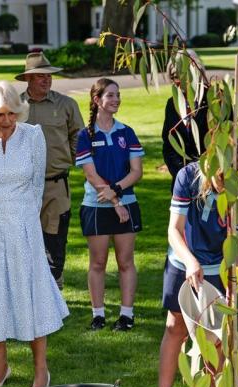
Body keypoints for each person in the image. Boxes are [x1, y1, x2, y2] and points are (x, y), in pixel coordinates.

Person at [0, 80, 69, 387]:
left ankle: (40, 371)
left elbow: (37, 185)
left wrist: (22, 217)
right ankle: (1, 366)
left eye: (11, 113)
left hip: (24, 227)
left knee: (30, 294)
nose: (7, 121)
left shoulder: (33, 136)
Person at [150, 162, 238, 387]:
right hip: (183, 263)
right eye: (218, 177)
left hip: (218, 269)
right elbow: (174, 229)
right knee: (175, 329)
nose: (221, 183)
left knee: (216, 337)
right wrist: (190, 261)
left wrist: (234, 284)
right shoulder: (188, 176)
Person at [75, 78, 144, 331]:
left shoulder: (127, 132)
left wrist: (116, 191)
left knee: (126, 261)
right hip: (96, 207)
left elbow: (136, 172)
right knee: (98, 263)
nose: (116, 99)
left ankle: (127, 316)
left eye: (118, 95)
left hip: (127, 204)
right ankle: (98, 315)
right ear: (97, 101)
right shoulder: (85, 135)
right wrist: (115, 201)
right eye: (110, 96)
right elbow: (91, 176)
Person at [16, 52, 84, 290]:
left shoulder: (66, 105)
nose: (46, 80)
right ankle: (28, 289)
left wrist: (69, 160)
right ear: (28, 79)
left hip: (55, 184)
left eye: (49, 76)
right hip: (20, 186)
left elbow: (79, 136)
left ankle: (55, 288)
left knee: (54, 238)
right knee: (23, 238)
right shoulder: (15, 106)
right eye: (40, 76)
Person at [162, 49, 209, 191]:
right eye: (174, 77)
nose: (178, 81)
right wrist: (182, 175)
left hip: (212, 182)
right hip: (182, 183)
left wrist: (206, 175)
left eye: (182, 75)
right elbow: (169, 145)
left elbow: (226, 141)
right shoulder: (172, 103)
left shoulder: (215, 101)